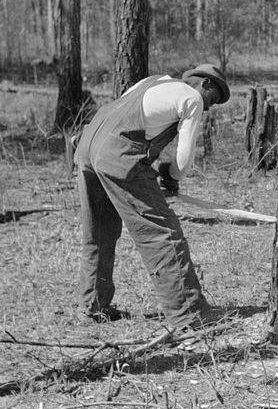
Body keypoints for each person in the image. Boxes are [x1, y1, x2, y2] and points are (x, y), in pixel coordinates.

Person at [74, 63, 231, 331]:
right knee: (163, 233)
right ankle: (190, 315)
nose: (209, 107)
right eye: (213, 99)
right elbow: (182, 164)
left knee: (98, 232)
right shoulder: (191, 98)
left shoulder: (152, 81)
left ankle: (94, 306)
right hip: (117, 155)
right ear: (204, 84)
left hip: (87, 148)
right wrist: (170, 174)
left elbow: (127, 122)